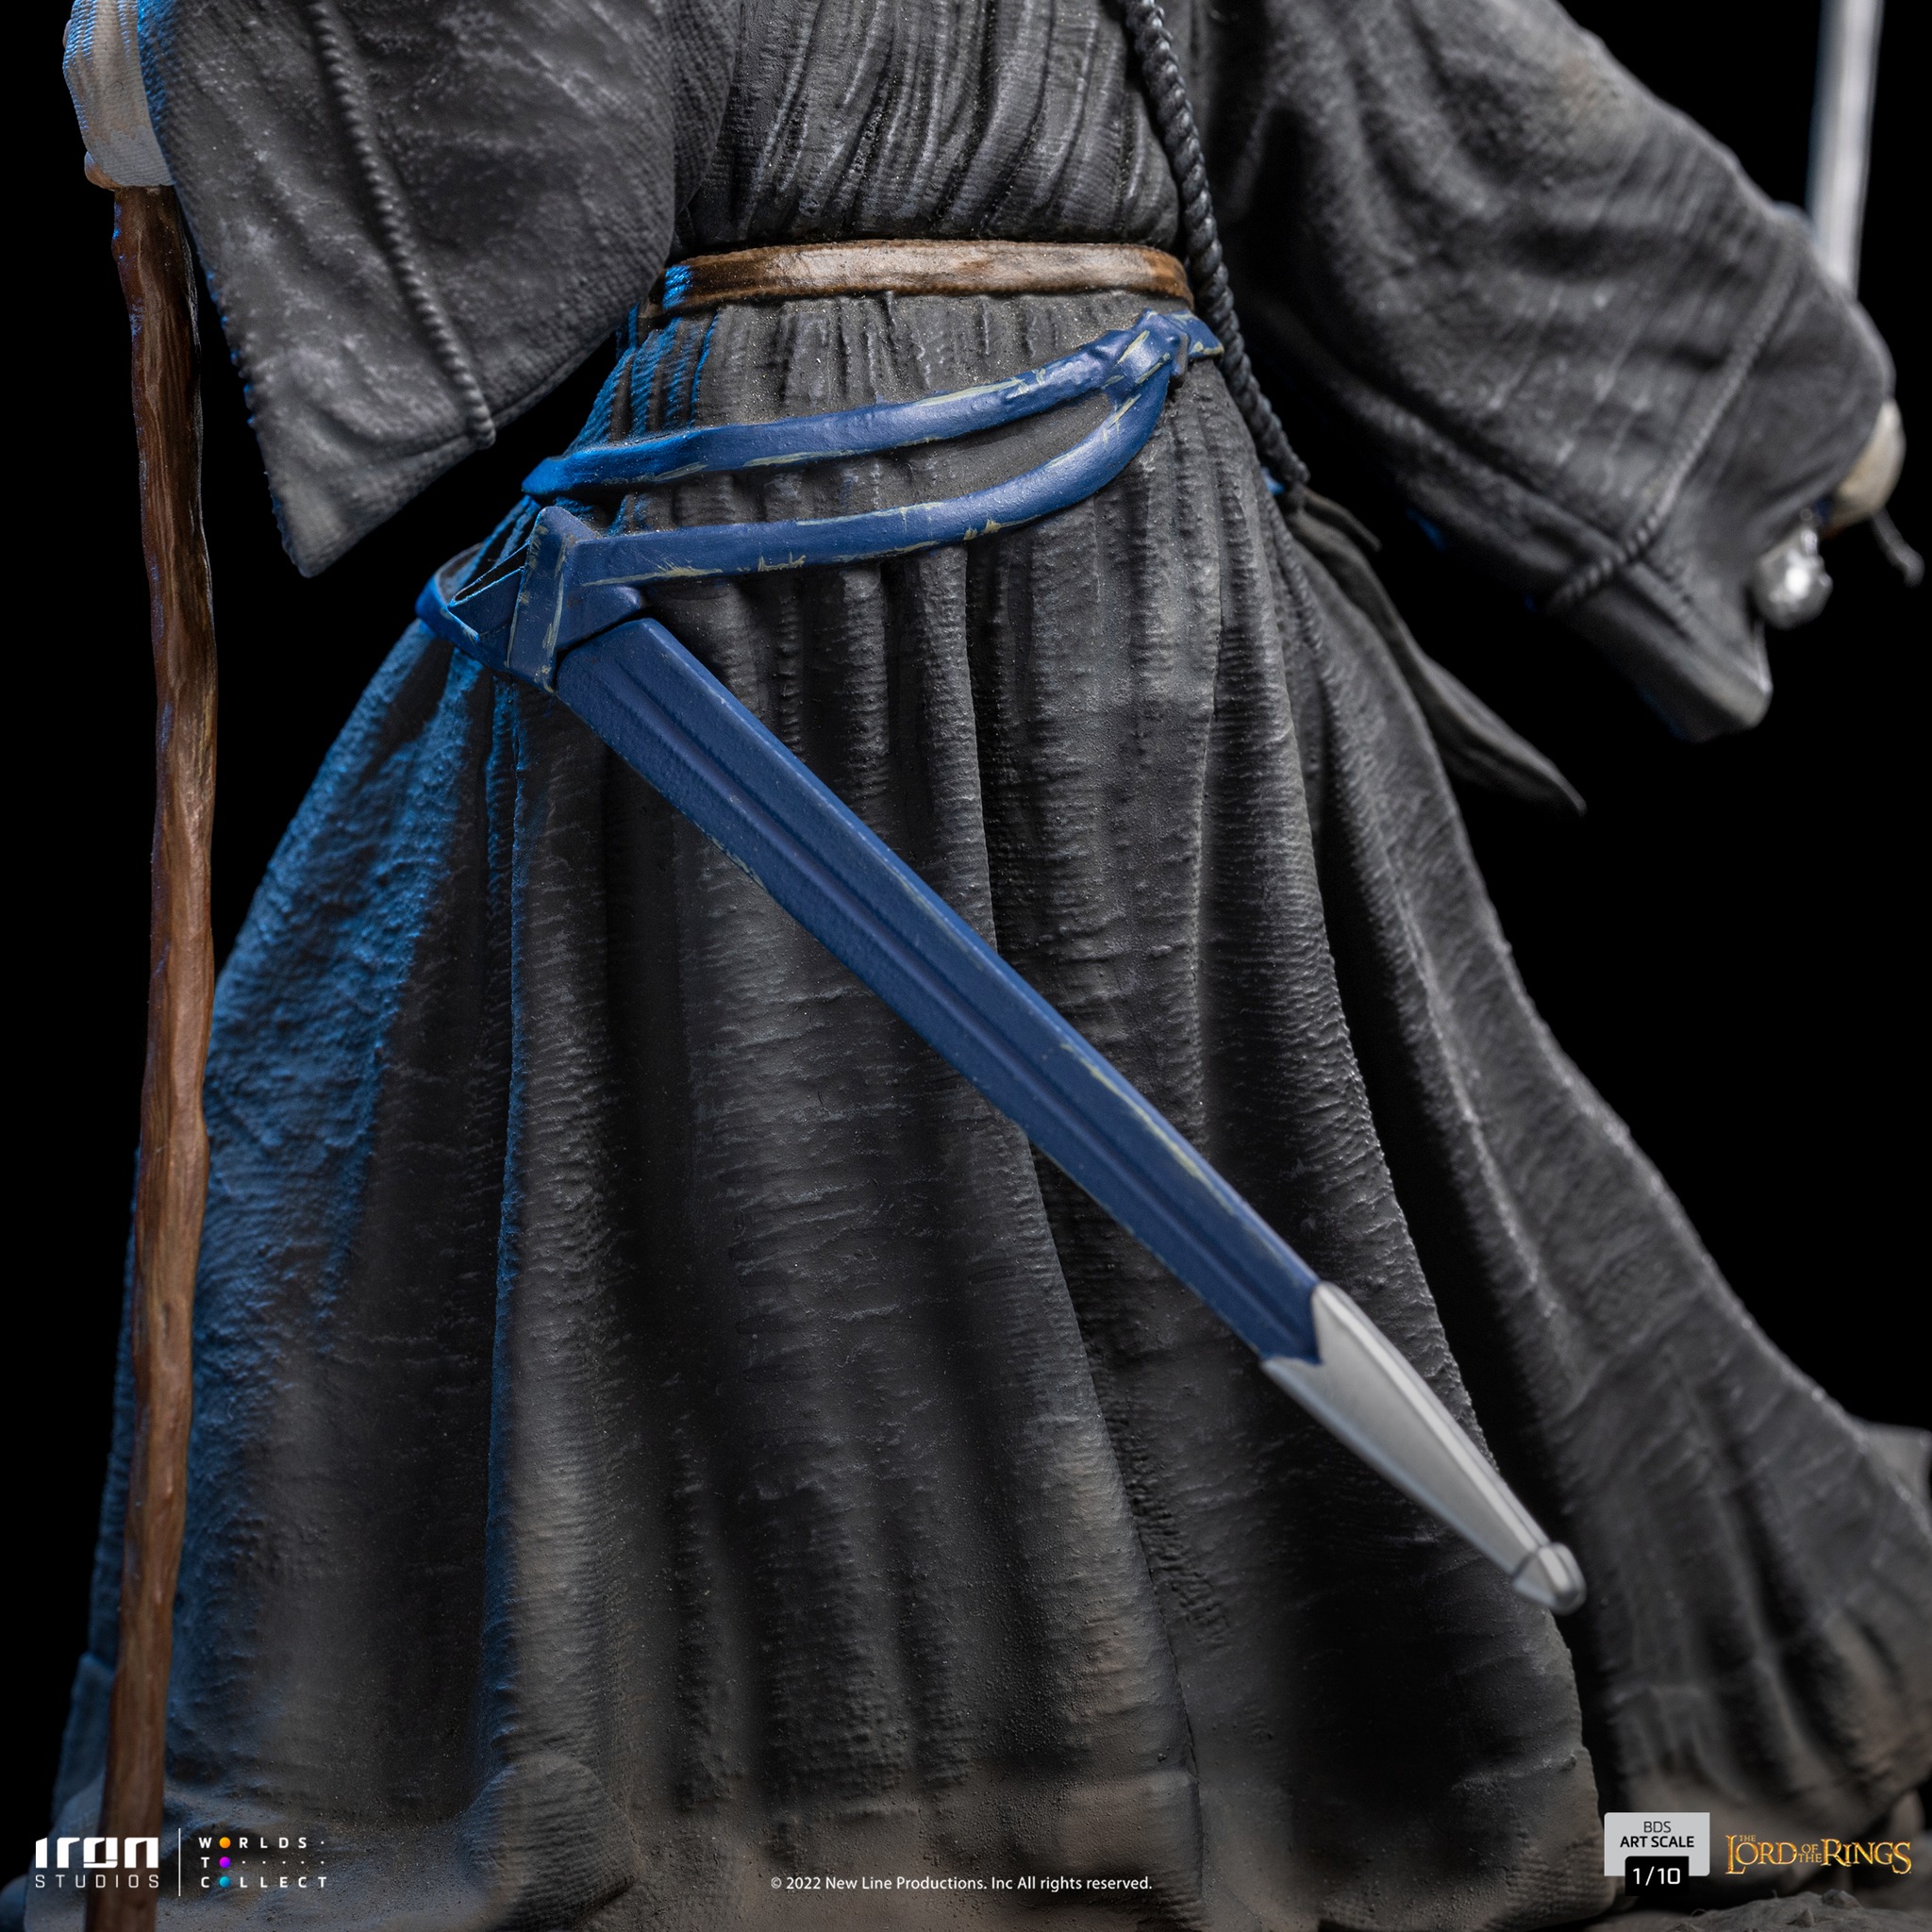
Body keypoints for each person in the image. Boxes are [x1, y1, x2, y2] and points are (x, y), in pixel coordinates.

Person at [36, 0, 1929, 1925]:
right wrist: (212, 51)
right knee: (665, 1194)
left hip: (1070, 579)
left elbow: (1413, 84)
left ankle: (1126, 1791)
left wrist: (194, 61)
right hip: (744, 592)